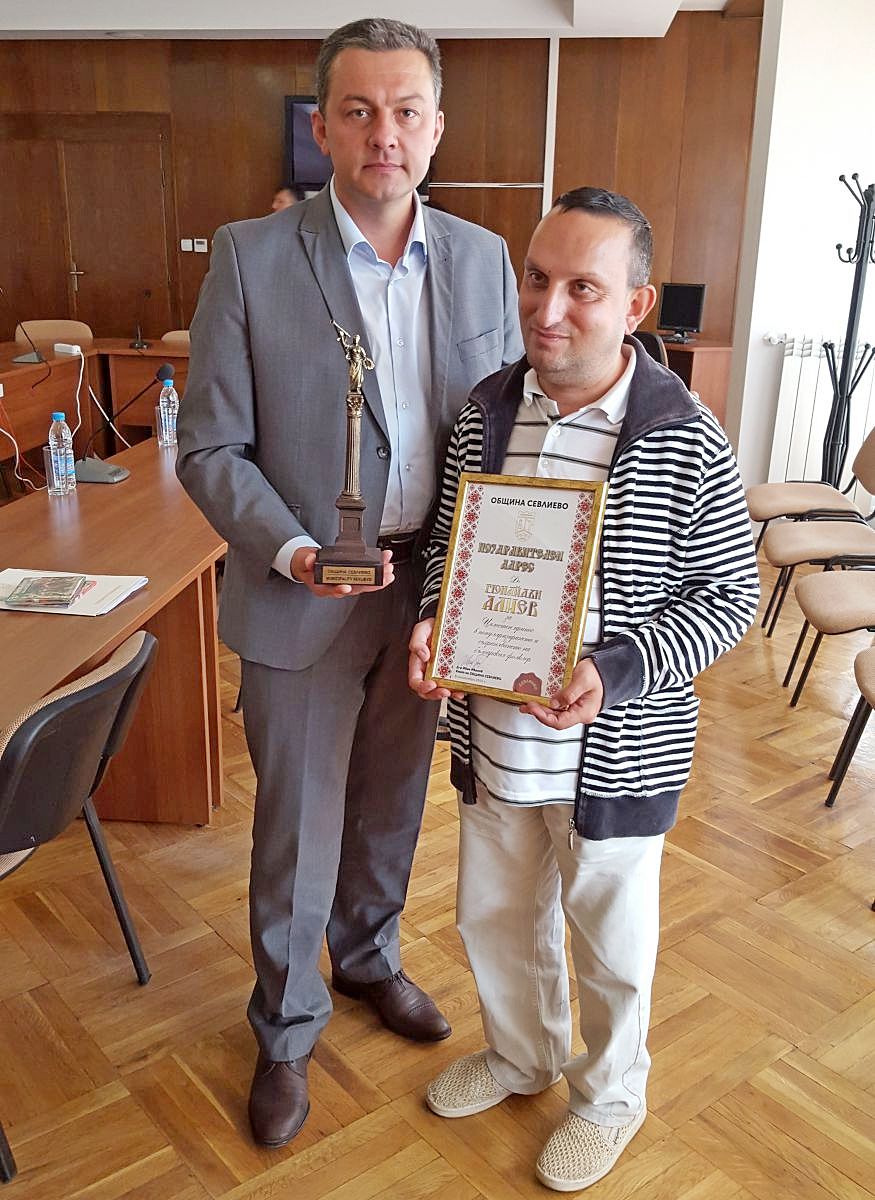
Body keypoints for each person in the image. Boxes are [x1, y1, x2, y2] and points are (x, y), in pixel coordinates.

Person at [176, 17, 521, 1150]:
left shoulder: (481, 258)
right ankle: (284, 1030)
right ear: (321, 127)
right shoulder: (250, 255)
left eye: (405, 111)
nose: (385, 134)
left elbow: (501, 431)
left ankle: (367, 959)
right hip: (299, 591)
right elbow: (210, 448)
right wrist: (291, 552)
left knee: (391, 800)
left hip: (430, 588)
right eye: (359, 111)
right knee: (296, 823)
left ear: (436, 127)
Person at [408, 187, 759, 1192]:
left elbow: (728, 596)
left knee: (609, 942)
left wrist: (614, 670)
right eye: (535, 278)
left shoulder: (684, 434)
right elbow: (446, 547)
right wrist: (433, 618)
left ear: (635, 305)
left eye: (581, 288)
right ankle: (522, 1056)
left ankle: (608, 1096)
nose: (547, 308)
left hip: (617, 751)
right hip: (494, 736)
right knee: (493, 917)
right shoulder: (484, 412)